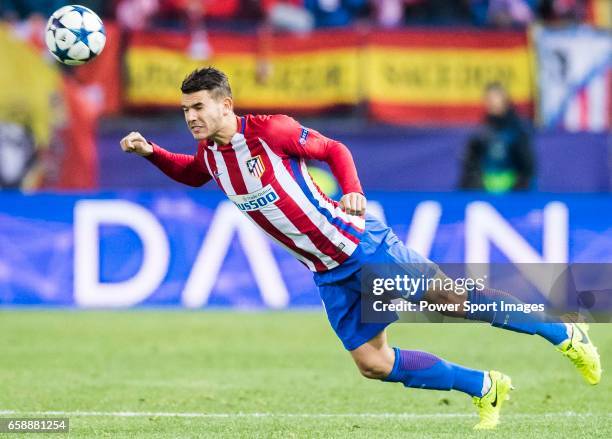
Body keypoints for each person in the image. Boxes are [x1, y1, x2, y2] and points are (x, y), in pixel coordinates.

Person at [120, 67, 601, 430]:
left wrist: (353, 190)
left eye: (199, 107)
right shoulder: (213, 155)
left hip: (360, 248)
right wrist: (153, 154)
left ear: (226, 104)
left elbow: (335, 151)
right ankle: (484, 386)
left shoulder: (270, 131)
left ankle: (560, 330)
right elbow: (192, 173)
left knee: (458, 303)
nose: (191, 117)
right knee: (374, 364)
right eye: (185, 110)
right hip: (327, 273)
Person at [460, 82, 534, 192]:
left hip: (513, 191)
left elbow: (527, 167)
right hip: (483, 191)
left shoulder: (517, 131)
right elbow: (470, 164)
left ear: (505, 100)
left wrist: (517, 186)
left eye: (496, 98)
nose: (492, 102)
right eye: (489, 99)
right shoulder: (481, 132)